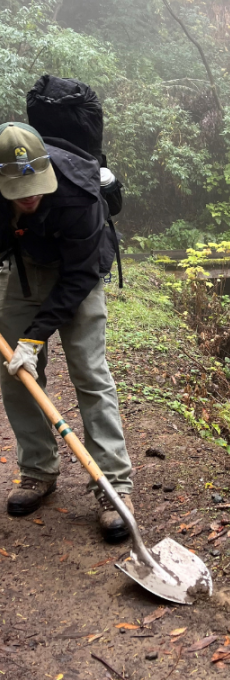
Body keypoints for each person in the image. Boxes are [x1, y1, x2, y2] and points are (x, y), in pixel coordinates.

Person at [0, 121, 130, 541]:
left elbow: (78, 277)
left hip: (79, 275)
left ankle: (113, 486)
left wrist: (34, 338)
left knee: (90, 374)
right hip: (26, 272)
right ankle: (38, 470)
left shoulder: (78, 193)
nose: (30, 197)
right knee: (17, 374)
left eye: (35, 185)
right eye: (18, 193)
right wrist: (23, 347)